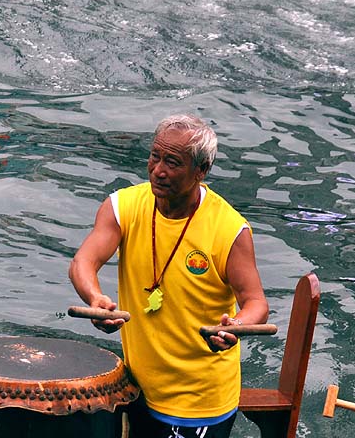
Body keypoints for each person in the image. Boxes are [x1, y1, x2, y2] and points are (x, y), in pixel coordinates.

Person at [68, 114, 268, 438]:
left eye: (172, 162)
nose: (158, 170)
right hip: (135, 390)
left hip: (200, 404)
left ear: (201, 171)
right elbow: (83, 262)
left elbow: (256, 301)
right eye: (155, 156)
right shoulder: (122, 207)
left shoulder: (230, 230)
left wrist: (236, 326)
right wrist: (95, 298)